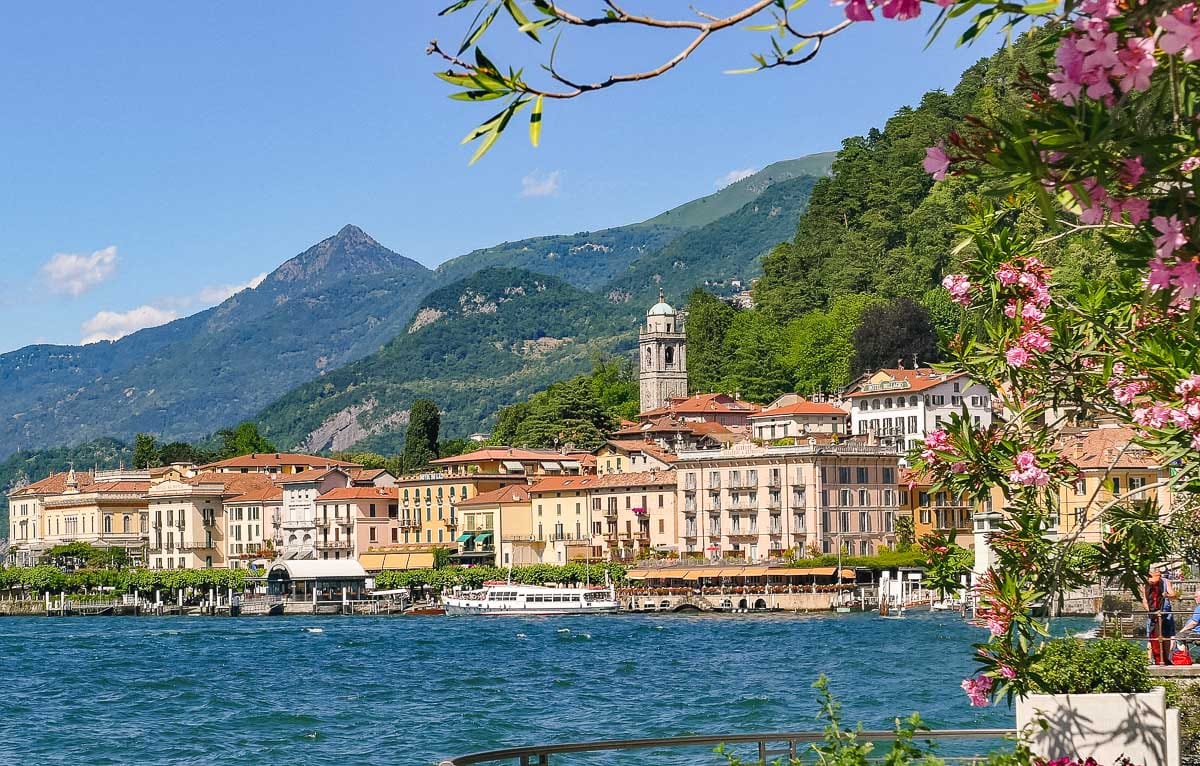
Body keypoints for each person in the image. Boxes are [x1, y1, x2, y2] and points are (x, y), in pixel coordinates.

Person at [1144, 568, 1178, 665]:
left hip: (1165, 613)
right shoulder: (1146, 583)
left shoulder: (1165, 582)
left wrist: (1167, 595)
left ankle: (1166, 659)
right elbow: (1144, 600)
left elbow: (1174, 595)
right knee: (1151, 636)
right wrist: (1151, 611)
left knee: (1166, 636)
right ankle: (1149, 659)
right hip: (1153, 614)